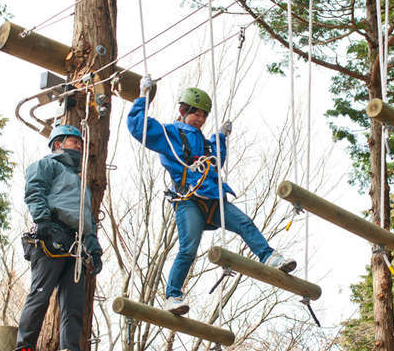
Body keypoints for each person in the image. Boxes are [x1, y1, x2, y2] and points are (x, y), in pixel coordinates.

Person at [127, 83, 296, 315]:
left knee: (244, 223)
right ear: (184, 111)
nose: (200, 118)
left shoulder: (205, 144)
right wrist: (142, 98)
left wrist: (220, 138)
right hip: (188, 199)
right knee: (188, 248)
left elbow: (215, 163)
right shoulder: (171, 135)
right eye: (196, 113)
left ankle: (269, 256)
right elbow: (139, 128)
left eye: (204, 115)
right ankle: (172, 296)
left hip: (213, 199)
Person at [11, 124, 103, 351]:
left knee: (74, 304)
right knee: (40, 294)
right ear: (58, 144)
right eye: (75, 141)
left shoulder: (80, 183)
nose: (80, 146)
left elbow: (86, 219)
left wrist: (94, 247)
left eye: (81, 142)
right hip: (52, 234)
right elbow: (35, 190)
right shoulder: (47, 165)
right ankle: (24, 348)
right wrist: (42, 219)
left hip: (76, 244)